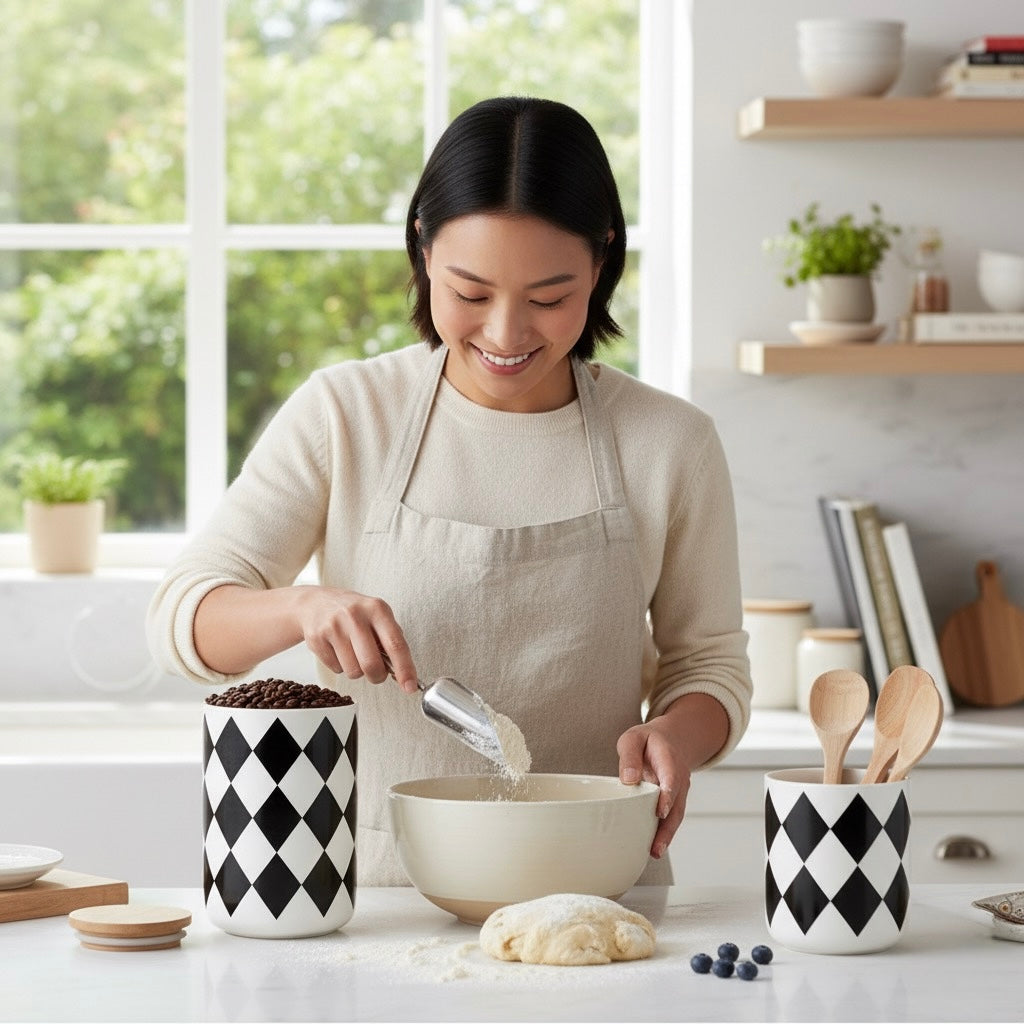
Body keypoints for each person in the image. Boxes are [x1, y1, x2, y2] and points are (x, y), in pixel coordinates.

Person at [148, 96, 751, 885]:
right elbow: (180, 620)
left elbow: (711, 667)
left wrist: (678, 732)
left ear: (601, 263)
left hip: (595, 885)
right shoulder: (347, 413)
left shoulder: (671, 442)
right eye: (471, 294)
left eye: (548, 298)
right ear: (424, 250)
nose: (506, 335)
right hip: (373, 891)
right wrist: (302, 607)